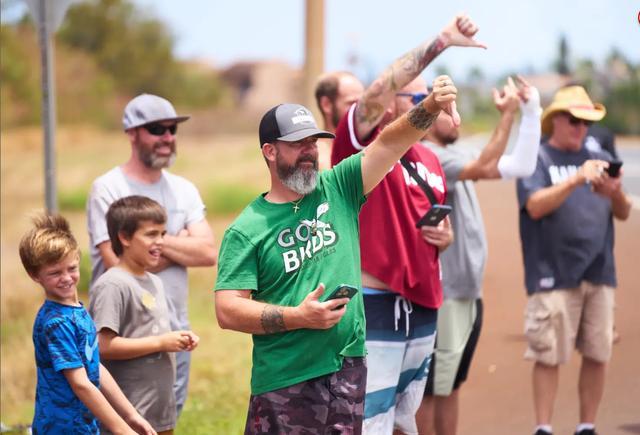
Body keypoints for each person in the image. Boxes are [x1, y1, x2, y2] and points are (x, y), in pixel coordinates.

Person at [214, 74, 459, 434]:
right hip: (286, 382)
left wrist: (430, 106)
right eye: (298, 144)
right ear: (269, 151)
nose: (310, 151)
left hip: (347, 369)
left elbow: (390, 143)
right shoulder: (247, 228)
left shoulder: (339, 187)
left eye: (313, 142)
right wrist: (297, 316)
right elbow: (227, 308)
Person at [331, 14, 484, 434]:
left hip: (423, 303)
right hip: (377, 301)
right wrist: (442, 42)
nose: (424, 105)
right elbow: (378, 89)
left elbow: (427, 231)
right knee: (369, 418)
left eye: (427, 100)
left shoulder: (432, 160)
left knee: (405, 415)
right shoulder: (362, 146)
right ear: (394, 103)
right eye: (414, 98)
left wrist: (444, 238)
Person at [416, 76, 542, 435]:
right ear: (426, 115)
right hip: (447, 293)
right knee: (429, 391)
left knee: (451, 386)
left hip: (468, 290)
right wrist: (508, 115)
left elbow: (520, 166)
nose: (456, 118)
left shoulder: (453, 153)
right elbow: (486, 166)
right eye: (447, 111)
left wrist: (529, 113)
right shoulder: (433, 156)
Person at [87, 93, 217, 416]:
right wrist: (180, 241)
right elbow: (115, 263)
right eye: (157, 129)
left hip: (175, 333)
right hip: (123, 341)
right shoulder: (107, 188)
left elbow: (208, 252)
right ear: (132, 132)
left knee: (166, 421)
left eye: (173, 130)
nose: (168, 138)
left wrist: (151, 246)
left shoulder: (183, 189)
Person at [516, 86, 632, 435]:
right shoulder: (537, 157)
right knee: (547, 355)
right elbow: (534, 205)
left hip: (599, 271)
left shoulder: (599, 157)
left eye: (586, 121)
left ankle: (586, 425)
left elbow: (623, 213)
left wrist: (615, 193)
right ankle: (544, 428)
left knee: (599, 352)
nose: (581, 127)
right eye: (574, 119)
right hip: (552, 272)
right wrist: (576, 179)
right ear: (555, 122)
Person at [19, 213, 156, 435]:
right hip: (62, 427)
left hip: (83, 423)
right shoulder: (57, 323)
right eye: (54, 273)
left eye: (71, 268)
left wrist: (131, 415)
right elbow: (81, 384)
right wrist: (123, 430)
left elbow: (94, 365)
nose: (66, 278)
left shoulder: (76, 310)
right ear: (35, 275)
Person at [89, 196, 199, 434]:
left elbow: (150, 332)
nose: (160, 242)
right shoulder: (112, 284)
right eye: (151, 234)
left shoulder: (155, 282)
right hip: (127, 415)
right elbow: (102, 346)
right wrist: (160, 342)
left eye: (163, 233)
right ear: (125, 237)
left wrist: (177, 339)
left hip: (159, 410)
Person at [314, 71, 365, 170]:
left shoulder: (366, 149)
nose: (361, 110)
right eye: (352, 103)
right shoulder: (315, 157)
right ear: (326, 105)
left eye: (362, 103)